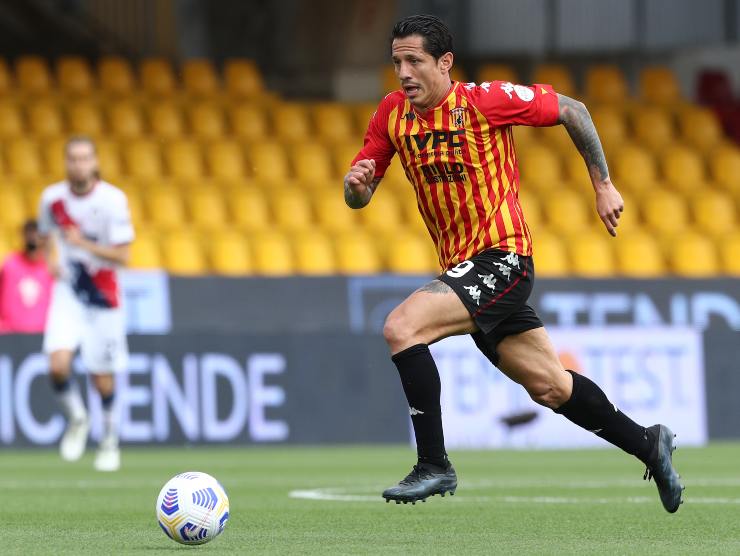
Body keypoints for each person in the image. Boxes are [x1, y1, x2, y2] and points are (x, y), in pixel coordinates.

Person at [344, 14, 684, 512]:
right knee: (550, 386)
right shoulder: (392, 115)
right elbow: (361, 192)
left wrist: (603, 184)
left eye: (414, 61)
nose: (404, 72)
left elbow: (574, 110)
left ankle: (434, 464)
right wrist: (356, 188)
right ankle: (648, 443)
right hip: (466, 272)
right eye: (397, 62)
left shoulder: (485, 101)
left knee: (402, 327)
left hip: (502, 258)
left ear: (445, 62)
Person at [38, 136, 134, 472]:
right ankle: (78, 418)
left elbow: (123, 255)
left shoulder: (112, 200)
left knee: (101, 378)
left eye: (85, 159)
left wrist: (83, 245)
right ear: (66, 162)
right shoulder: (52, 198)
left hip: (103, 296)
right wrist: (52, 256)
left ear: (94, 162)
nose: (79, 165)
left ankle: (109, 438)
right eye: (73, 159)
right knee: (57, 366)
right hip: (68, 293)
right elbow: (47, 233)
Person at [0, 220, 53, 333]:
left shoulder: (49, 268)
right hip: (9, 333)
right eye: (29, 233)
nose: (32, 238)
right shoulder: (10, 264)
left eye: (37, 235)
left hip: (41, 334)